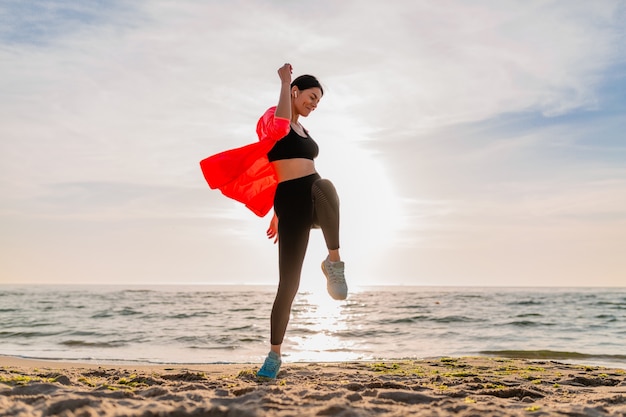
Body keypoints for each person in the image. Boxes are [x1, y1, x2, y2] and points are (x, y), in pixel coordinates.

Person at [199, 63, 348, 379]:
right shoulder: (273, 117)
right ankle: (274, 355)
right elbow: (279, 130)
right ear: (295, 92)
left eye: (318, 101)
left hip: (313, 195)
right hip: (290, 202)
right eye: (311, 97)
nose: (314, 104)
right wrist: (283, 82)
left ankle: (333, 262)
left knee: (326, 186)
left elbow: (303, 162)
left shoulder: (305, 131)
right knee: (288, 285)